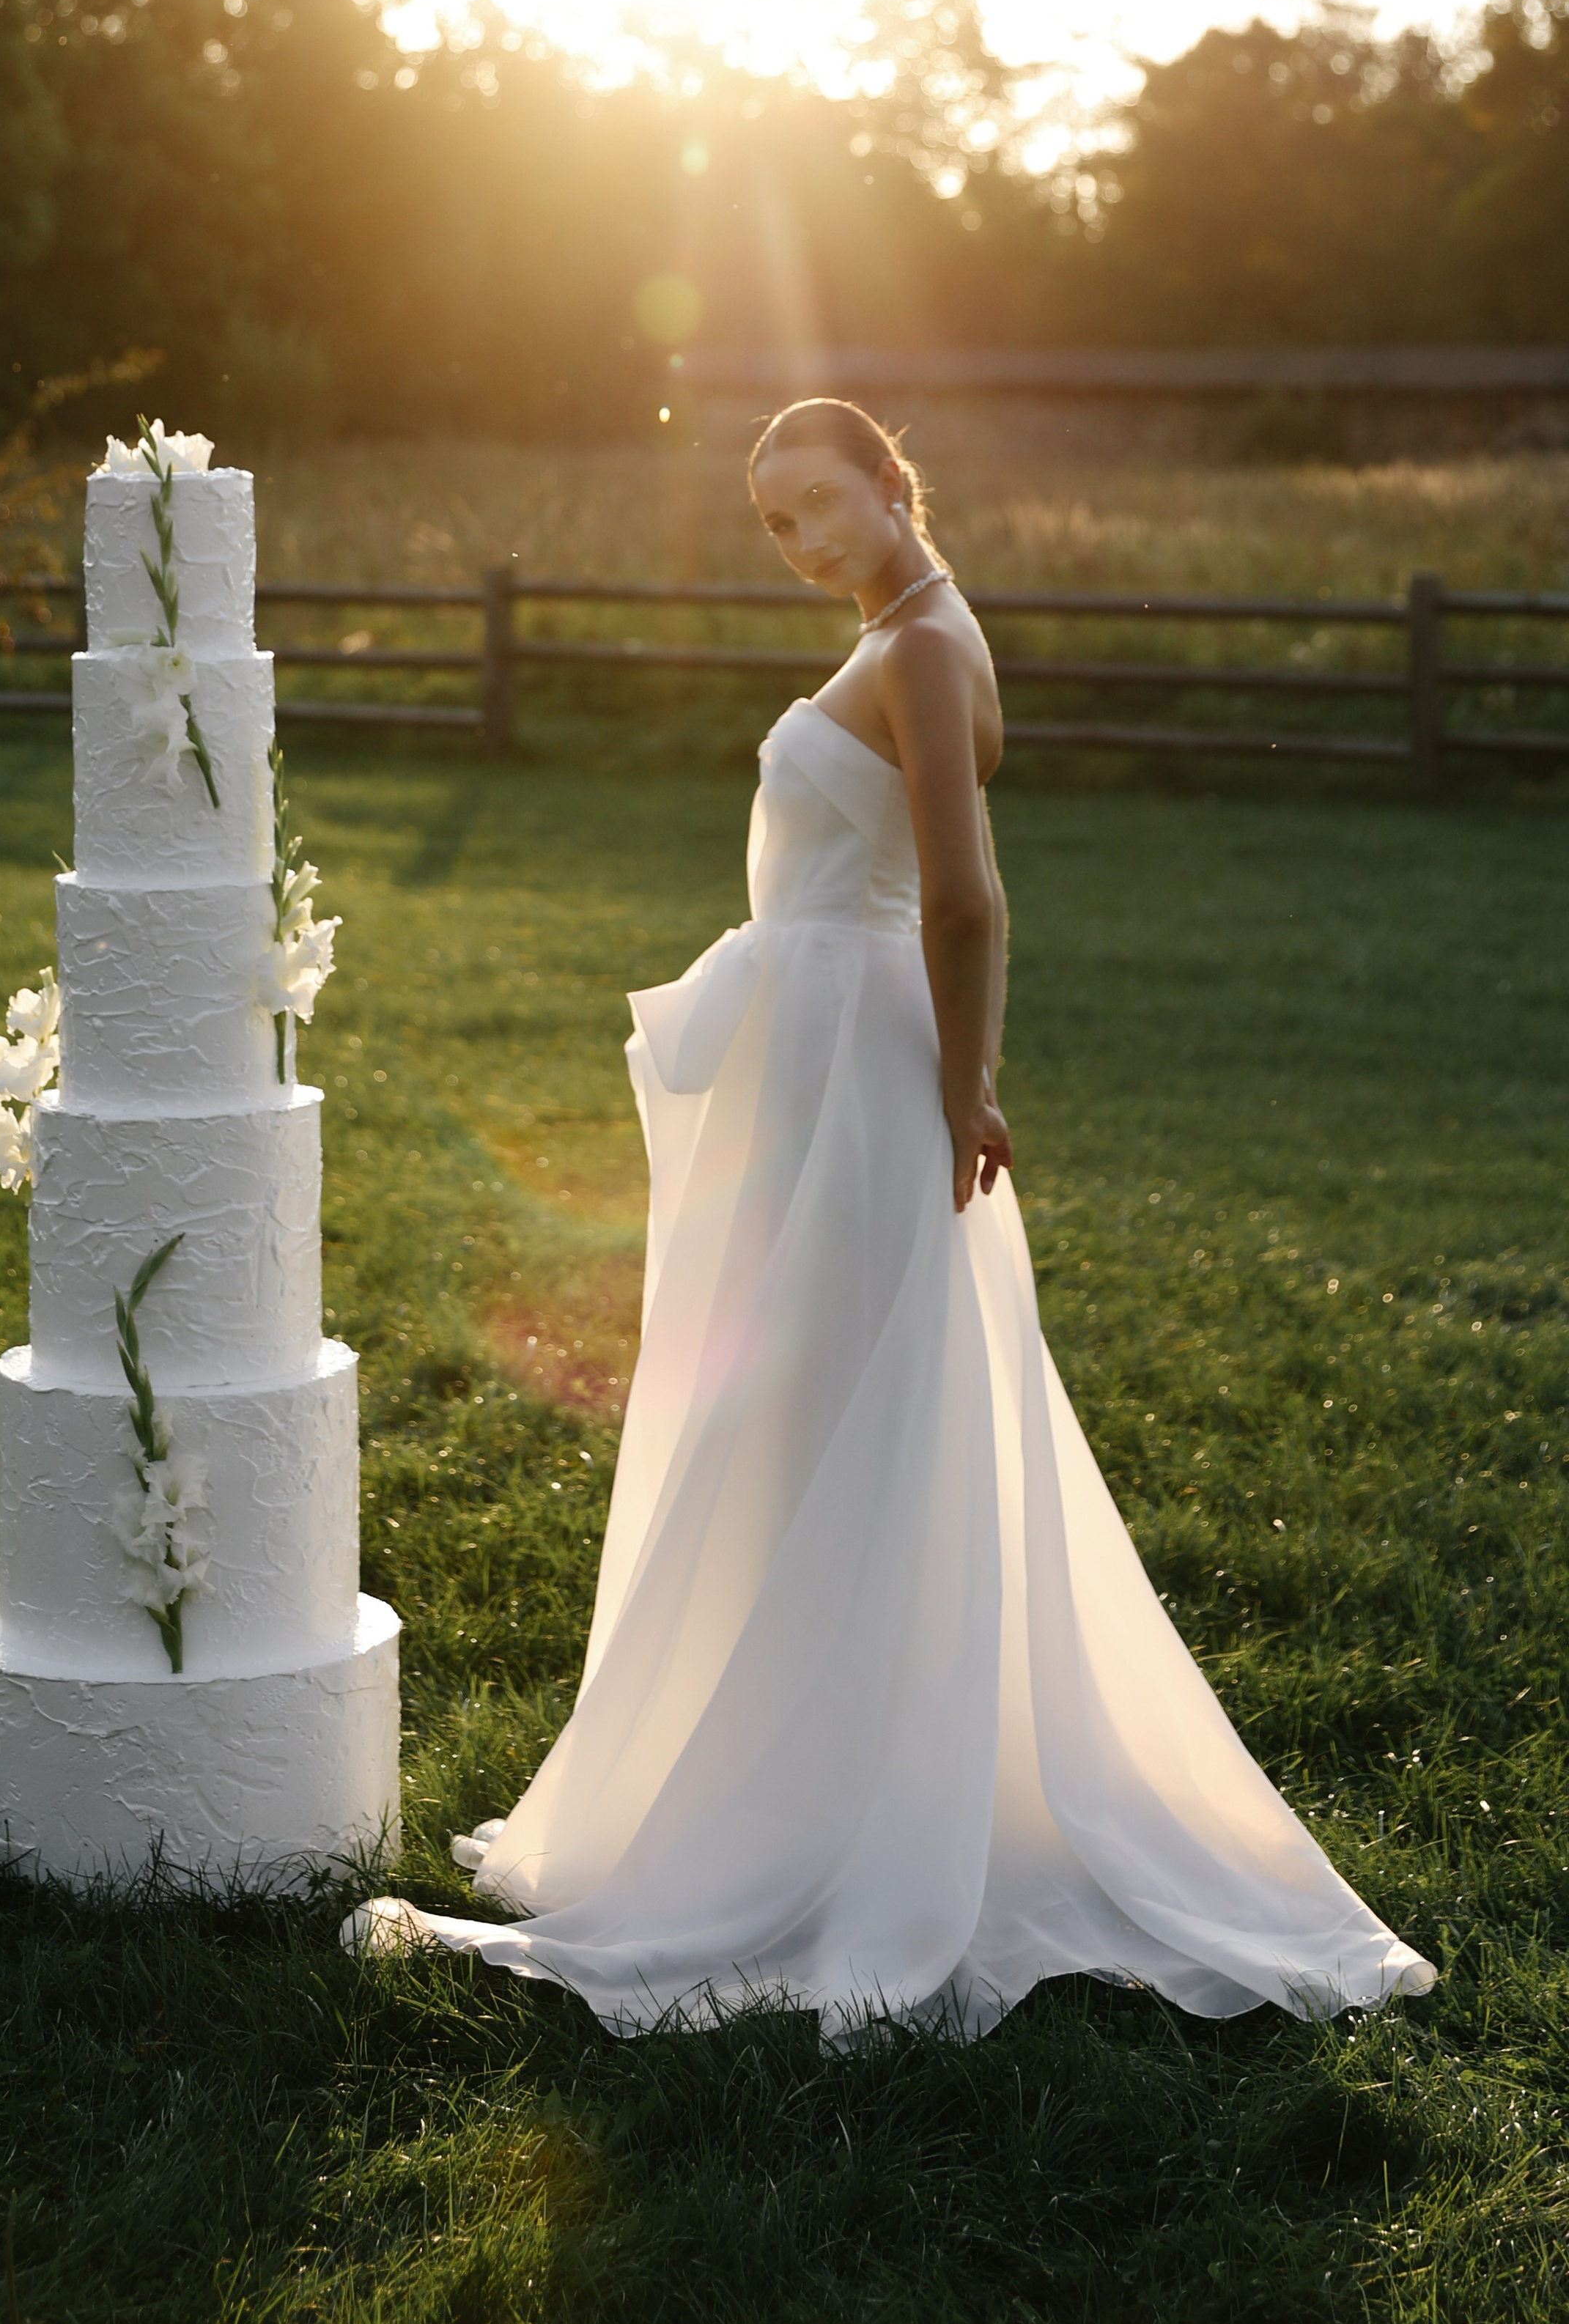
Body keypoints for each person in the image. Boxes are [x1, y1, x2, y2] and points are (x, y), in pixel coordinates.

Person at [343, 398, 1434, 2039]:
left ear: (885, 477)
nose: (797, 539)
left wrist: (967, 1084)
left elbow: (965, 893)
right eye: (772, 521)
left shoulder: (922, 642)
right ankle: (799, 1761)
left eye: (815, 500)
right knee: (809, 1413)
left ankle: (830, 1807)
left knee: (833, 1405)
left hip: (862, 1066)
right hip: (822, 1060)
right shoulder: (909, 628)